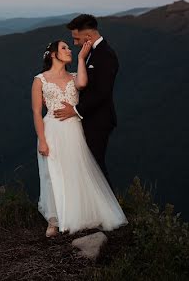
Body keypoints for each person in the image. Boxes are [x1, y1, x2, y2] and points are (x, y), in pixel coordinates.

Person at [32, 39, 127, 236]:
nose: (69, 50)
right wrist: (42, 139)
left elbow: (83, 84)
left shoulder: (74, 76)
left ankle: (78, 214)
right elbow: (36, 112)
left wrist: (82, 58)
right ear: (53, 55)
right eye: (64, 48)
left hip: (74, 130)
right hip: (51, 130)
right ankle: (54, 220)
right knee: (52, 174)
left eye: (69, 48)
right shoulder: (40, 80)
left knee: (77, 170)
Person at [54, 14, 118, 182]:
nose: (74, 43)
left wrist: (74, 110)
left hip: (99, 120)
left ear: (88, 36)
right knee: (90, 166)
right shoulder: (92, 52)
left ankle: (110, 207)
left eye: (76, 39)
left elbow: (102, 93)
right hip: (91, 118)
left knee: (96, 167)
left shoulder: (106, 55)